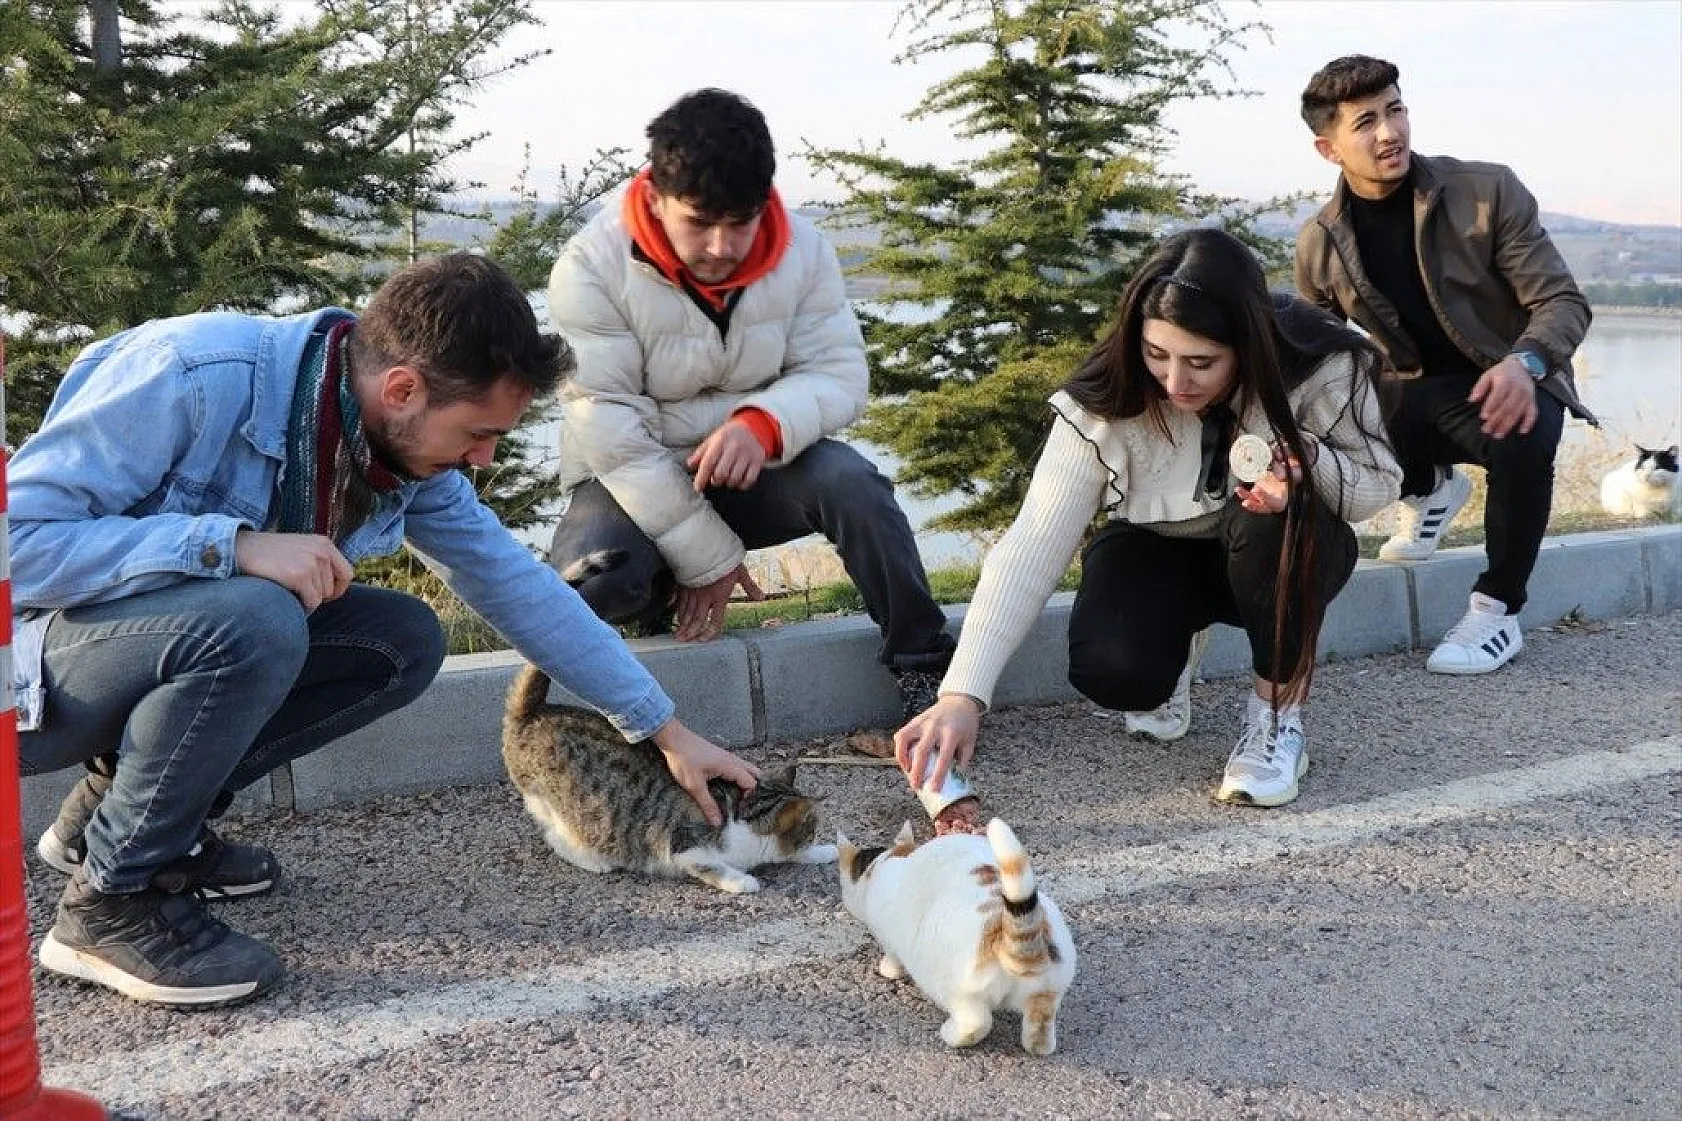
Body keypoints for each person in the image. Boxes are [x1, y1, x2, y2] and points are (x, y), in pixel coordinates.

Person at [11, 252, 759, 1008]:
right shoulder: (190, 374)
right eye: (478, 433)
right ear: (402, 389)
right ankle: (110, 902)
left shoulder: (384, 446)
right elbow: (19, 543)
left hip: (135, 651)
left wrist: (663, 728)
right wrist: (231, 545)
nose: (483, 458)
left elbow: (520, 588)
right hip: (32, 680)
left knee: (399, 640)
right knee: (258, 616)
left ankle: (119, 823)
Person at [895, 228, 1401, 820]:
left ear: (1248, 345)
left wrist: (1308, 459)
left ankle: (1274, 720)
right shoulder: (1105, 396)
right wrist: (962, 695)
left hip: (1280, 545)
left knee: (1272, 524)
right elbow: (1031, 543)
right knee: (1112, 673)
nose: (1175, 383)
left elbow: (1377, 489)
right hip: (1159, 545)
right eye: (1157, 354)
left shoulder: (1323, 365)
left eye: (1201, 363)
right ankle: (1174, 653)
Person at [545, 88, 956, 726]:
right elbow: (612, 432)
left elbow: (839, 373)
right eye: (699, 222)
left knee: (855, 485)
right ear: (656, 196)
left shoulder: (803, 251)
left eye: (740, 222)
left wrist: (763, 426)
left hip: (758, 467)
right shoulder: (590, 268)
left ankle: (924, 668)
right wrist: (705, 560)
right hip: (631, 475)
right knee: (590, 580)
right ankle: (658, 610)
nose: (721, 246)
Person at [1295, 55, 1596, 676]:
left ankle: (1496, 611)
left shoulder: (1486, 191)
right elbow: (1312, 354)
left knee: (1522, 431)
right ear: (1329, 148)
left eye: (1396, 110)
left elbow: (1562, 301)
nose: (1390, 132)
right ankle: (1430, 486)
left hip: (1508, 382)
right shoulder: (1320, 242)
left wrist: (1525, 362)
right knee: (1328, 424)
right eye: (1366, 122)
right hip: (1412, 392)